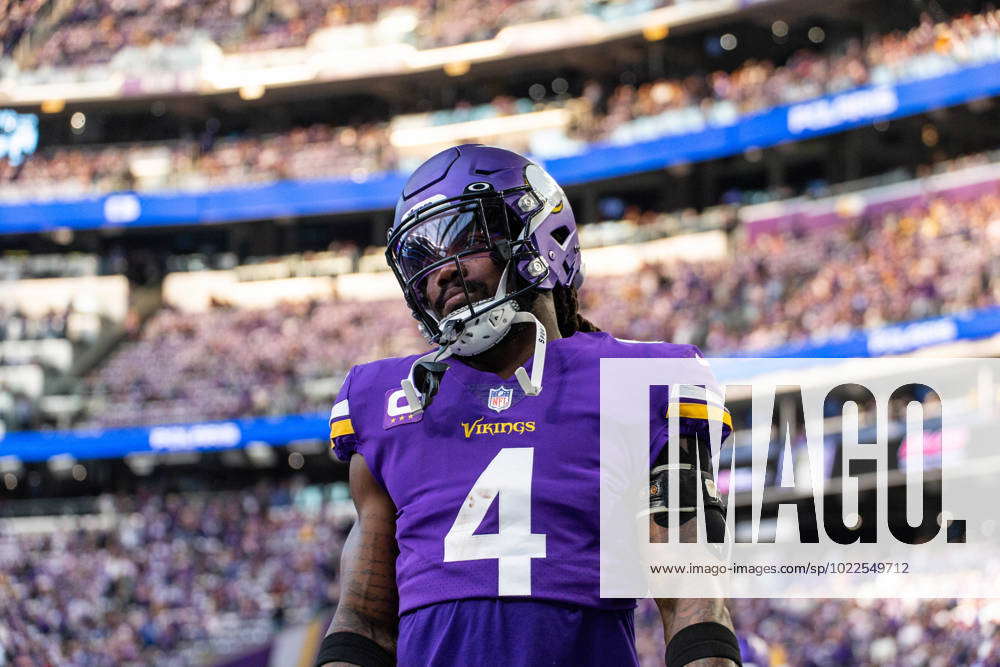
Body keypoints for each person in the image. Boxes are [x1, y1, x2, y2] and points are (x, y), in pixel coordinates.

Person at [318, 144, 740, 667]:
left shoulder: (645, 381)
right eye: (420, 260)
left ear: (538, 231)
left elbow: (693, 605)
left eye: (463, 239)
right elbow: (362, 623)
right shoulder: (384, 399)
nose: (440, 273)